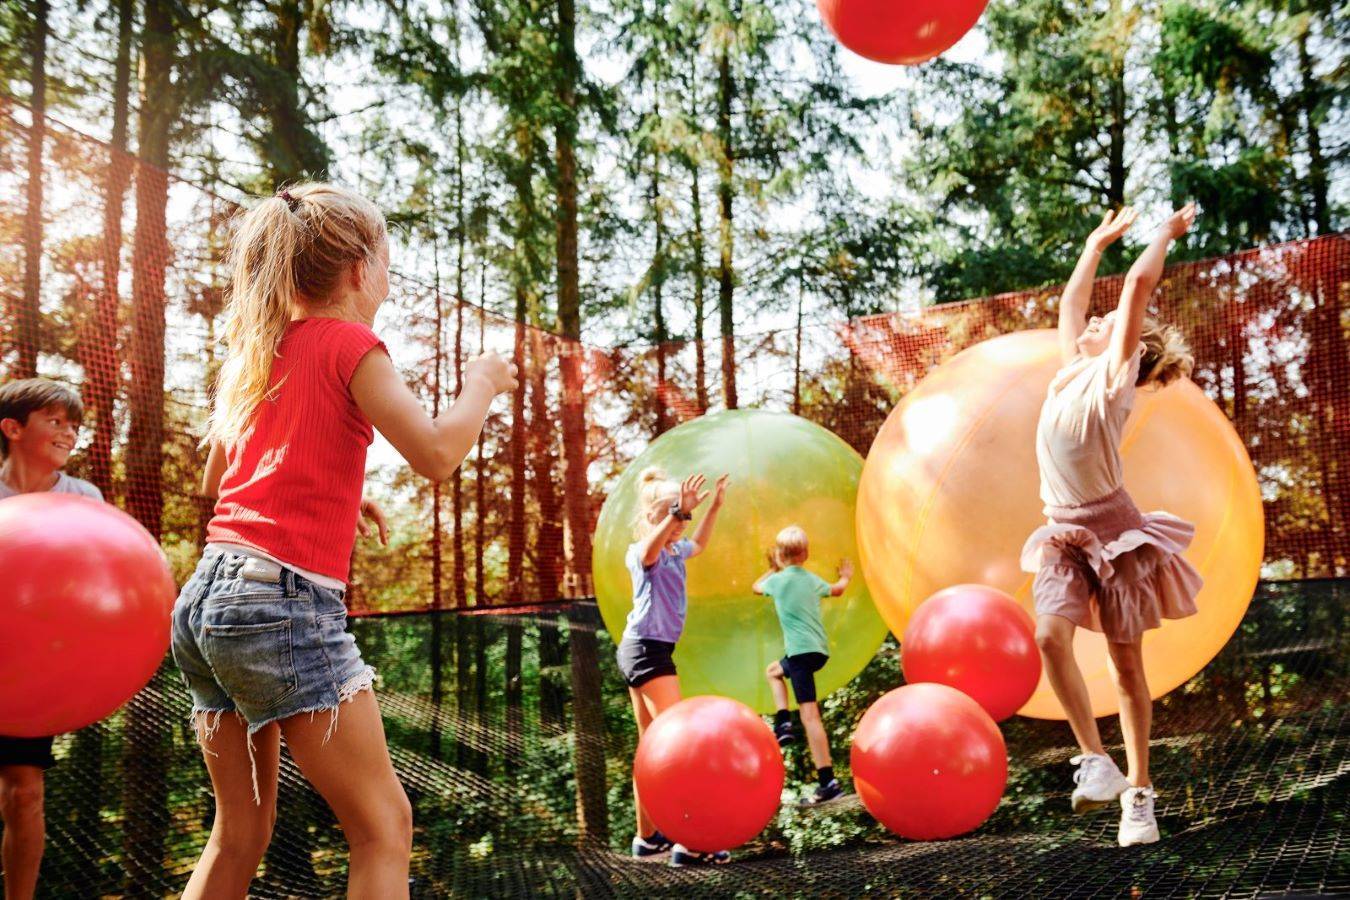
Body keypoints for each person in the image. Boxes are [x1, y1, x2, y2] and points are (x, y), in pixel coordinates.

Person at [172, 182, 516, 898]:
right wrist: (481, 382)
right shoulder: (352, 343)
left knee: (239, 834)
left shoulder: (259, 350)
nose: (388, 274)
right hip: (279, 607)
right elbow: (434, 454)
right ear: (360, 269)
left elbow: (220, 473)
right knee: (383, 827)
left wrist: (318, 489)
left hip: (208, 601)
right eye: (387, 259)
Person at [1021, 203, 1203, 847]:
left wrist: (1163, 235)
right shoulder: (1072, 368)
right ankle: (1097, 763)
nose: (1093, 321)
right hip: (1065, 537)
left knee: (1127, 671)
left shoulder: (1111, 380)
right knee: (1048, 638)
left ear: (1128, 353)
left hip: (1118, 541)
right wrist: (1094, 244)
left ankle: (1140, 795)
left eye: (1107, 325)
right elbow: (1076, 298)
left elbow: (1135, 290)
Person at [0, 378, 101, 900]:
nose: (69, 432)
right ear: (13, 428)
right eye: (55, 421)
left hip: (28, 675)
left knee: (25, 794)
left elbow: (99, 581)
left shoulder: (85, 499)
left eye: (73, 424)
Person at [618, 467, 729, 866]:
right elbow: (649, 552)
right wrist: (676, 512)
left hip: (647, 650)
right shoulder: (642, 551)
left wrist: (712, 507)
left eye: (683, 514)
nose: (682, 521)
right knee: (679, 746)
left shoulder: (675, 549)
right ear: (652, 517)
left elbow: (697, 544)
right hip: (646, 651)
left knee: (650, 747)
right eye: (672, 514)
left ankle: (648, 838)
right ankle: (691, 839)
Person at [753, 525, 852, 805]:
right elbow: (837, 590)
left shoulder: (777, 581)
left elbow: (756, 587)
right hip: (817, 651)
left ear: (780, 555)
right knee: (774, 671)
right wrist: (845, 576)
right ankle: (783, 722)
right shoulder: (810, 579)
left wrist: (773, 569)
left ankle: (828, 781)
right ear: (806, 554)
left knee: (810, 717)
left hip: (799, 654)